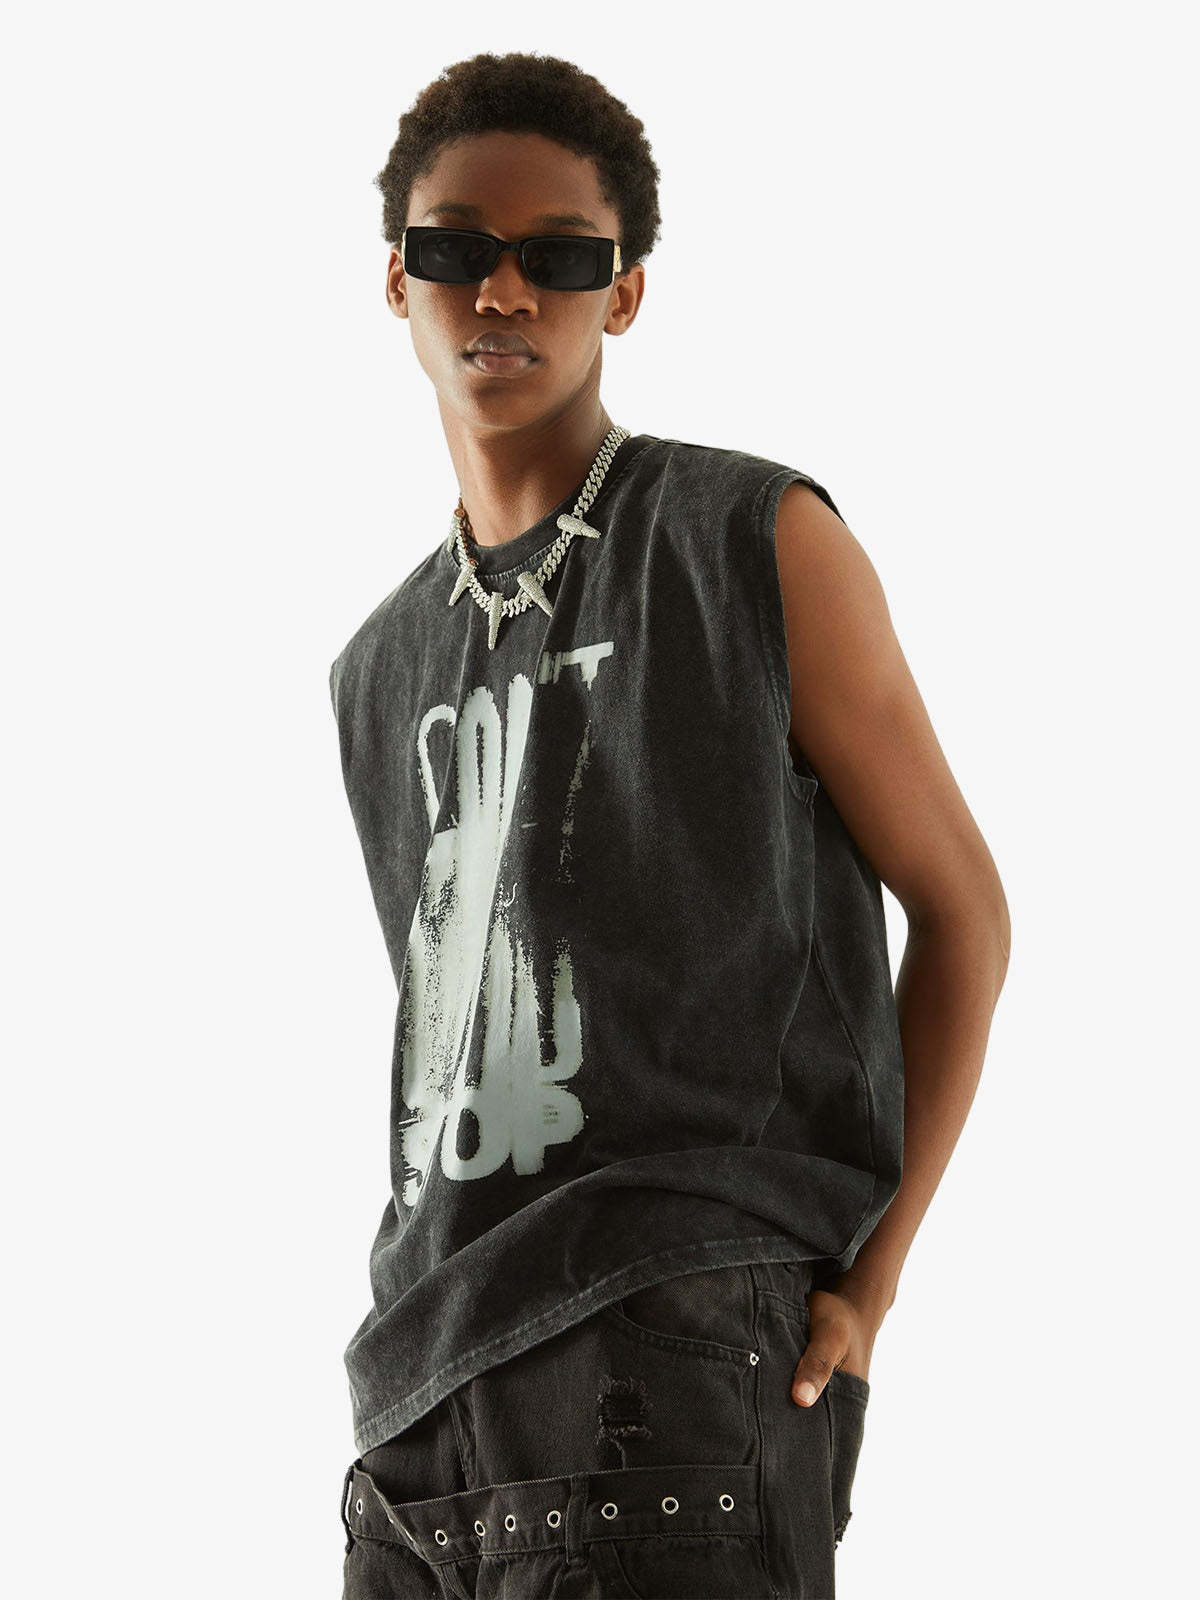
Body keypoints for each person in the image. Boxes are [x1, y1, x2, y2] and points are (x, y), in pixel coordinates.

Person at [328, 50, 1010, 1600]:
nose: (504, 289)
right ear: (398, 280)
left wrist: (872, 1284)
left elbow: (965, 909)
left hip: (677, 1331)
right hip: (415, 1405)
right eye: (457, 246)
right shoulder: (375, 668)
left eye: (560, 256)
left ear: (623, 293)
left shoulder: (752, 539)